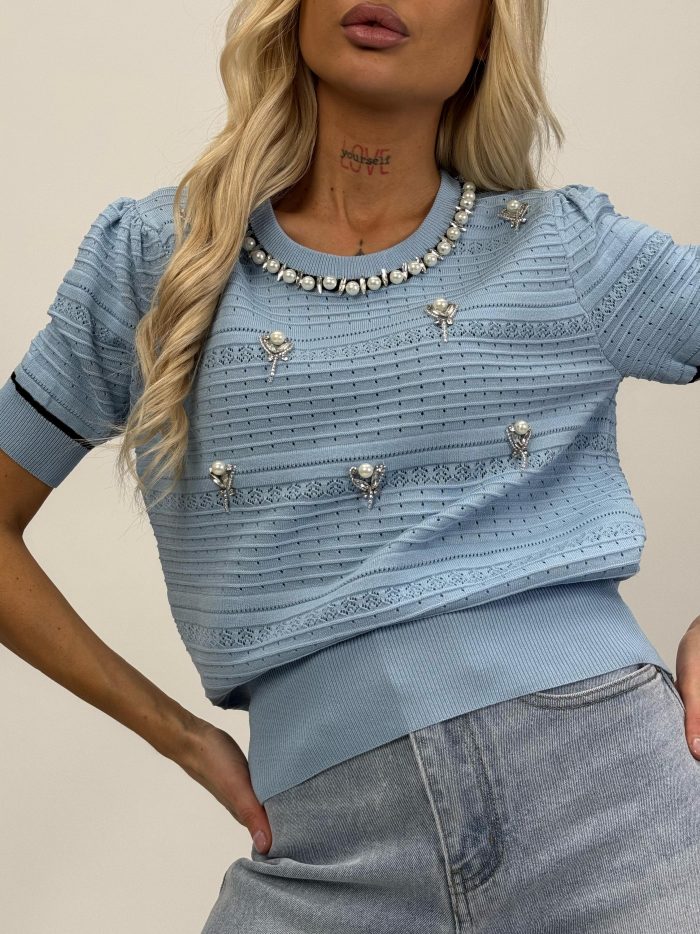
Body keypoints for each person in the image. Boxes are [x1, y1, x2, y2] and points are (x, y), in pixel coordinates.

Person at [0, 0, 698, 930]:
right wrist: (179, 737)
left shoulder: (560, 245)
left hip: (617, 811)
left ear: (487, 34)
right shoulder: (156, 262)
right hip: (323, 851)